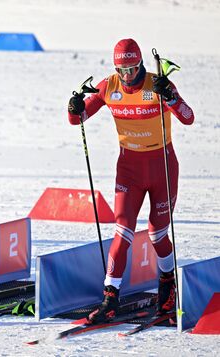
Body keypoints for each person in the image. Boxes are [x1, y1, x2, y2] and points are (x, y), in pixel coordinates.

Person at [67, 39, 194, 323]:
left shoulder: (157, 84)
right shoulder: (108, 86)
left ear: (141, 64)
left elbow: (188, 117)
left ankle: (167, 289)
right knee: (122, 231)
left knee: (156, 234)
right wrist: (73, 107)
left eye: (132, 68)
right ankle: (110, 298)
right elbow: (79, 118)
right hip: (129, 169)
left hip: (162, 166)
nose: (127, 75)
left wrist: (171, 98)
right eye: (122, 69)